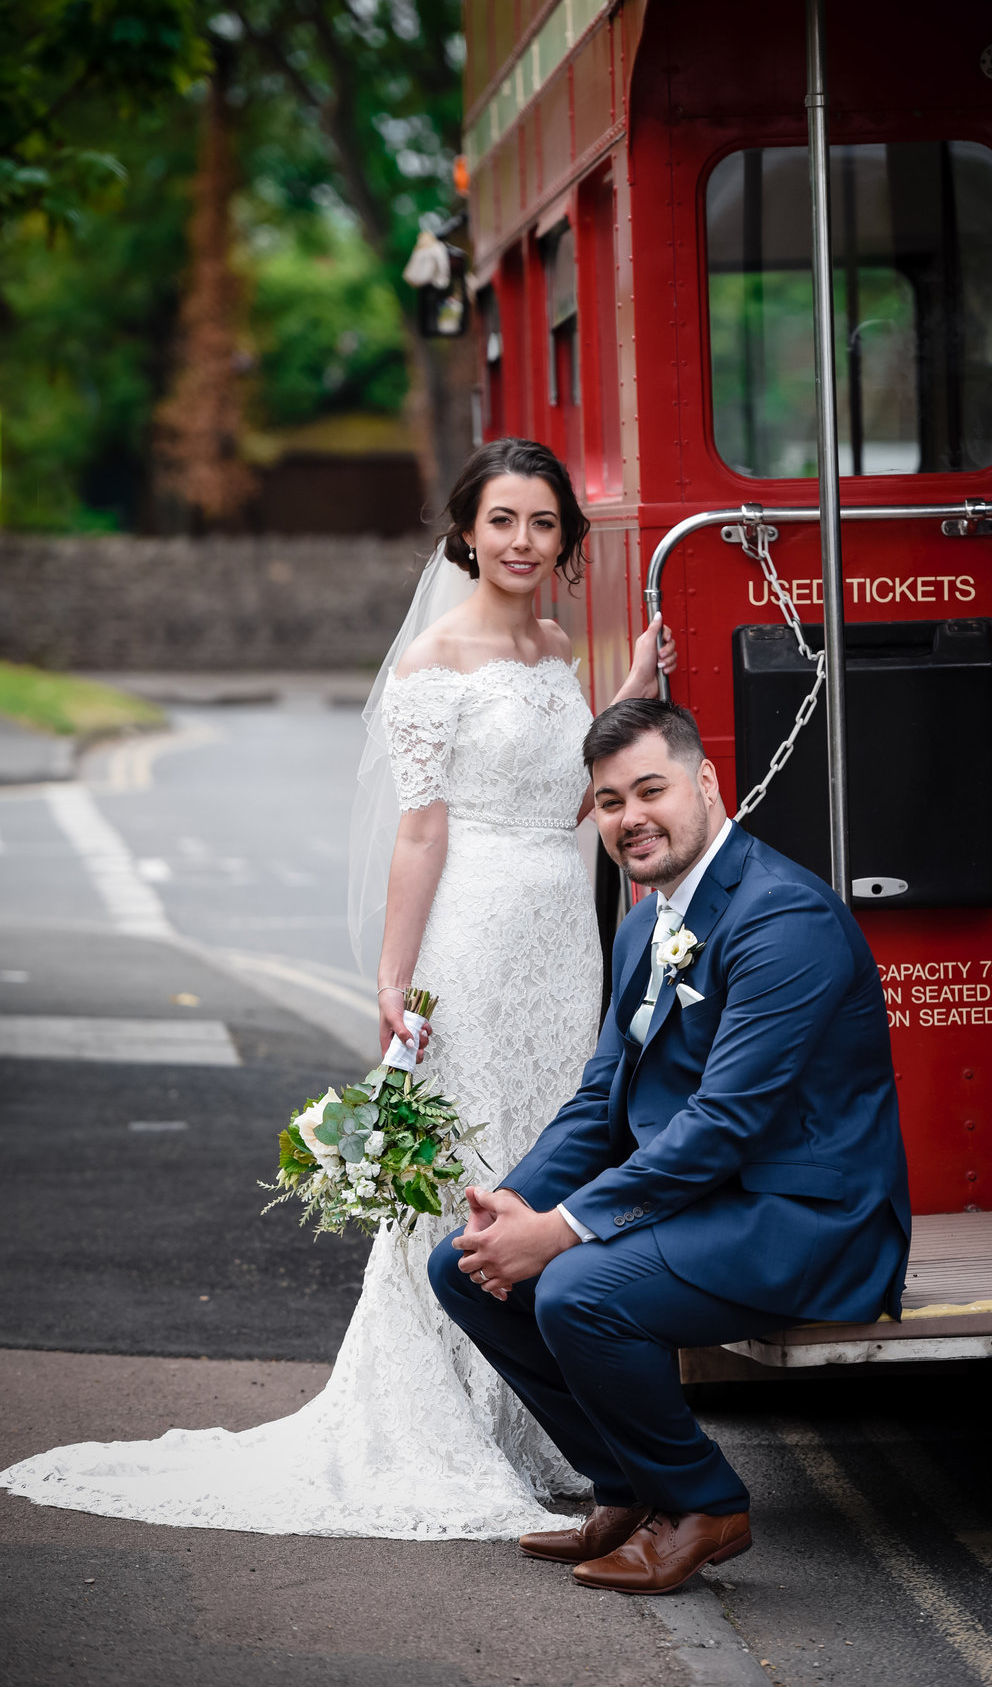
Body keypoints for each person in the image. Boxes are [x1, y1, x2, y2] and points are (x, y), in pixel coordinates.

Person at [0, 439, 675, 1541]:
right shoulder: (433, 665)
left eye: (542, 524)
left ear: (564, 541)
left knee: (546, 1153)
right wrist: (395, 977)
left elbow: (568, 809)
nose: (521, 542)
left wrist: (634, 692)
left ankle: (533, 1417)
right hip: (475, 938)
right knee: (468, 1166)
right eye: (502, 521)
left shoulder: (557, 649)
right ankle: (440, 1422)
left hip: (563, 942)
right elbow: (421, 834)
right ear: (466, 531)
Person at [429, 696, 911, 1591]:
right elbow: (602, 1100)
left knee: (575, 1287)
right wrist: (516, 1206)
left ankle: (703, 1502)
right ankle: (629, 1486)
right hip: (715, 1200)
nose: (630, 817)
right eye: (609, 802)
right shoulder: (645, 922)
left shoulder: (782, 919)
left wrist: (563, 1230)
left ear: (706, 781)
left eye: (650, 789)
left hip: (811, 1214)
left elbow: (727, 1121)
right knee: (462, 1268)